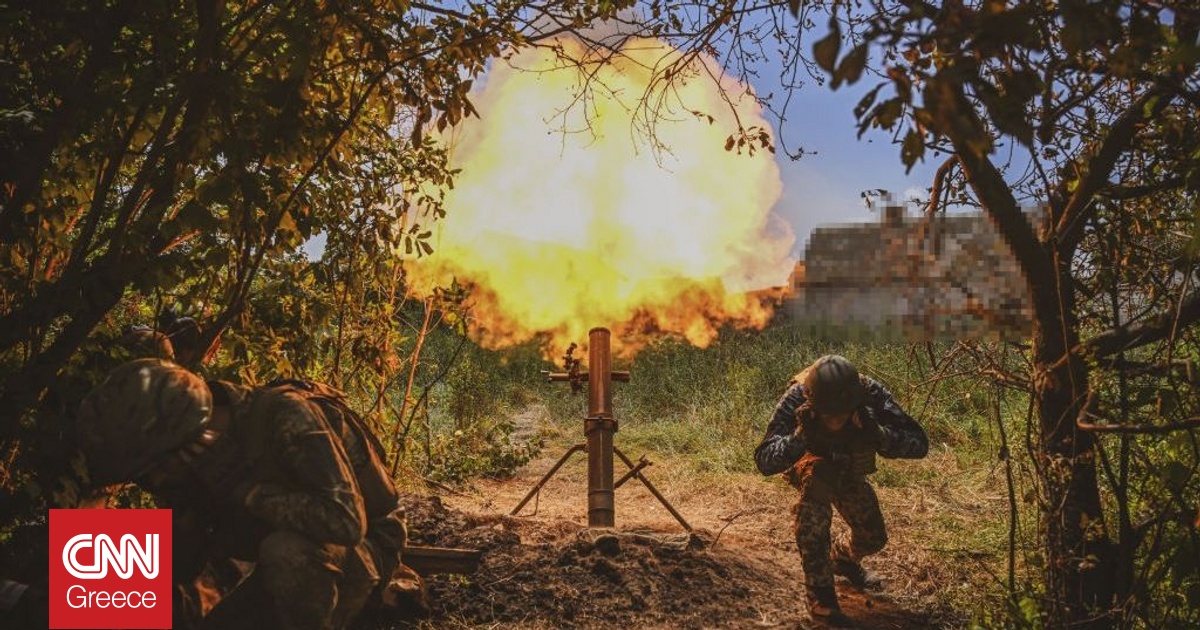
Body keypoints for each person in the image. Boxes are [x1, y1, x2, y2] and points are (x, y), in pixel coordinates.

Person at [75, 358, 416, 630]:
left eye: (154, 471)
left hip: (367, 543)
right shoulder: (197, 456)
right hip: (258, 551)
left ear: (190, 441)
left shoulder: (286, 416)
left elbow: (346, 522)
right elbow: (186, 547)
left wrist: (246, 491)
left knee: (286, 553)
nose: (156, 482)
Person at [754, 355, 928, 624]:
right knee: (817, 487)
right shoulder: (797, 395)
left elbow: (919, 444)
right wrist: (800, 437)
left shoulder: (870, 393)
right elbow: (765, 460)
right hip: (809, 463)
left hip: (847, 467)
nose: (835, 421)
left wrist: (879, 434)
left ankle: (843, 560)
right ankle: (820, 593)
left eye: (841, 414)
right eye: (828, 415)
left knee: (873, 536)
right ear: (812, 401)